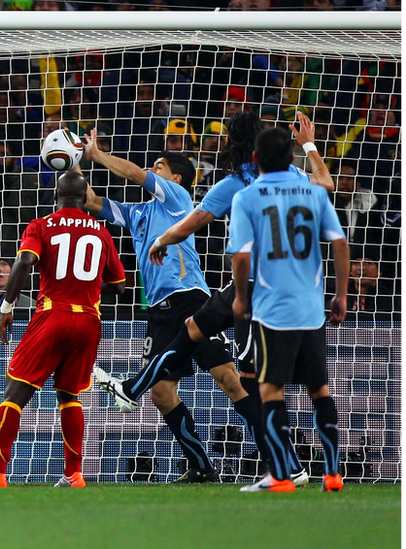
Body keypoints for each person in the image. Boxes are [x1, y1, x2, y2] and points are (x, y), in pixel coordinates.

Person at [97, 111, 332, 486]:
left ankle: (289, 467)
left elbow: (197, 223)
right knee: (201, 340)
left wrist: (162, 240)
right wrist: (309, 144)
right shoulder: (295, 178)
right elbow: (327, 184)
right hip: (297, 287)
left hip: (255, 288)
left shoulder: (233, 183)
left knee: (248, 380)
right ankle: (137, 390)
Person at [80, 127, 259, 484]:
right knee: (162, 394)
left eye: (159, 166)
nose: (152, 168)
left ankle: (276, 453)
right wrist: (71, 160)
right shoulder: (136, 213)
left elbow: (132, 172)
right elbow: (90, 201)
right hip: (159, 309)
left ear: (176, 178)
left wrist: (98, 154)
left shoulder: (177, 198)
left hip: (191, 297)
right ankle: (202, 466)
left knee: (228, 379)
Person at [0, 171, 126, 488]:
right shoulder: (100, 231)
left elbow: (25, 261)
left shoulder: (41, 225)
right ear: (85, 199)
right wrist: (86, 288)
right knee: (70, 396)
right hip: (88, 321)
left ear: (55, 197)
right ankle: (74, 475)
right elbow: (120, 284)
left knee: (14, 393)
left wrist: (7, 306)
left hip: (52, 315)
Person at [228, 126, 349, 493]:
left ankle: (281, 476)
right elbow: (340, 243)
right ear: (292, 158)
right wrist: (340, 295)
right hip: (312, 309)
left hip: (272, 310)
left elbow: (242, 255)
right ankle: (332, 474)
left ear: (254, 158)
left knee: (270, 391)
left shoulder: (247, 197)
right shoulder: (313, 193)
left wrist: (240, 298)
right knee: (320, 390)